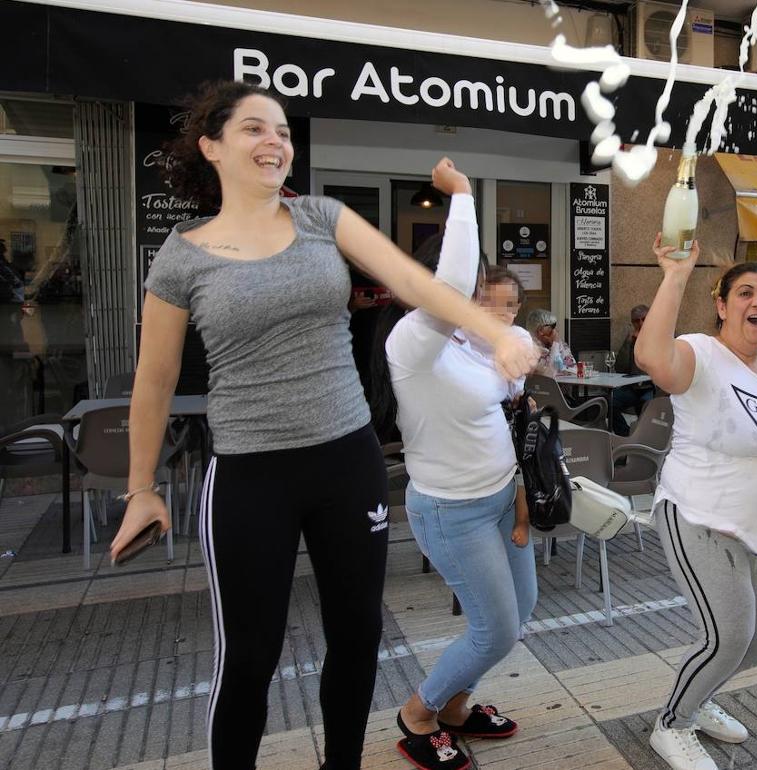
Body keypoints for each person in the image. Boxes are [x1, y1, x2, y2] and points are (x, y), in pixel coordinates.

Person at [108, 81, 536, 770]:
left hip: (347, 462)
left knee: (357, 635)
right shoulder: (183, 255)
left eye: (282, 129)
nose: (275, 140)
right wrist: (141, 488)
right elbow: (153, 380)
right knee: (250, 655)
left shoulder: (321, 217)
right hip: (252, 473)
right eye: (254, 128)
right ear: (212, 147)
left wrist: (492, 329)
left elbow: (414, 280)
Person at [635, 238, 757, 770]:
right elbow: (651, 357)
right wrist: (675, 275)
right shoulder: (701, 352)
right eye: (744, 293)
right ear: (722, 305)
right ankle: (672, 724)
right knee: (727, 636)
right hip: (697, 515)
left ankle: (700, 696)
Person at [381, 161, 536, 770]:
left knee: (517, 615)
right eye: (472, 295)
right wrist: (464, 198)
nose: (485, 308)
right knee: (493, 629)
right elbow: (449, 290)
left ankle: (455, 707)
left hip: (501, 499)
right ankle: (419, 714)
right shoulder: (415, 342)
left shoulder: (480, 348)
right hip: (451, 512)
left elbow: (502, 412)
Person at [611, 303, 656, 435]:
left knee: (647, 406)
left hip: (650, 388)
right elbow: (620, 367)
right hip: (632, 388)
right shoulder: (631, 339)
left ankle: (644, 439)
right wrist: (629, 343)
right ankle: (625, 435)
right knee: (610, 402)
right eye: (636, 321)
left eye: (644, 319)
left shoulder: (659, 336)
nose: (641, 323)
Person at [526, 308, 575, 376]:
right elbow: (549, 374)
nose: (555, 330)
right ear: (540, 329)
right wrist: (555, 345)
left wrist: (556, 345)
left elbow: (573, 369)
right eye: (552, 326)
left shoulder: (559, 343)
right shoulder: (529, 348)